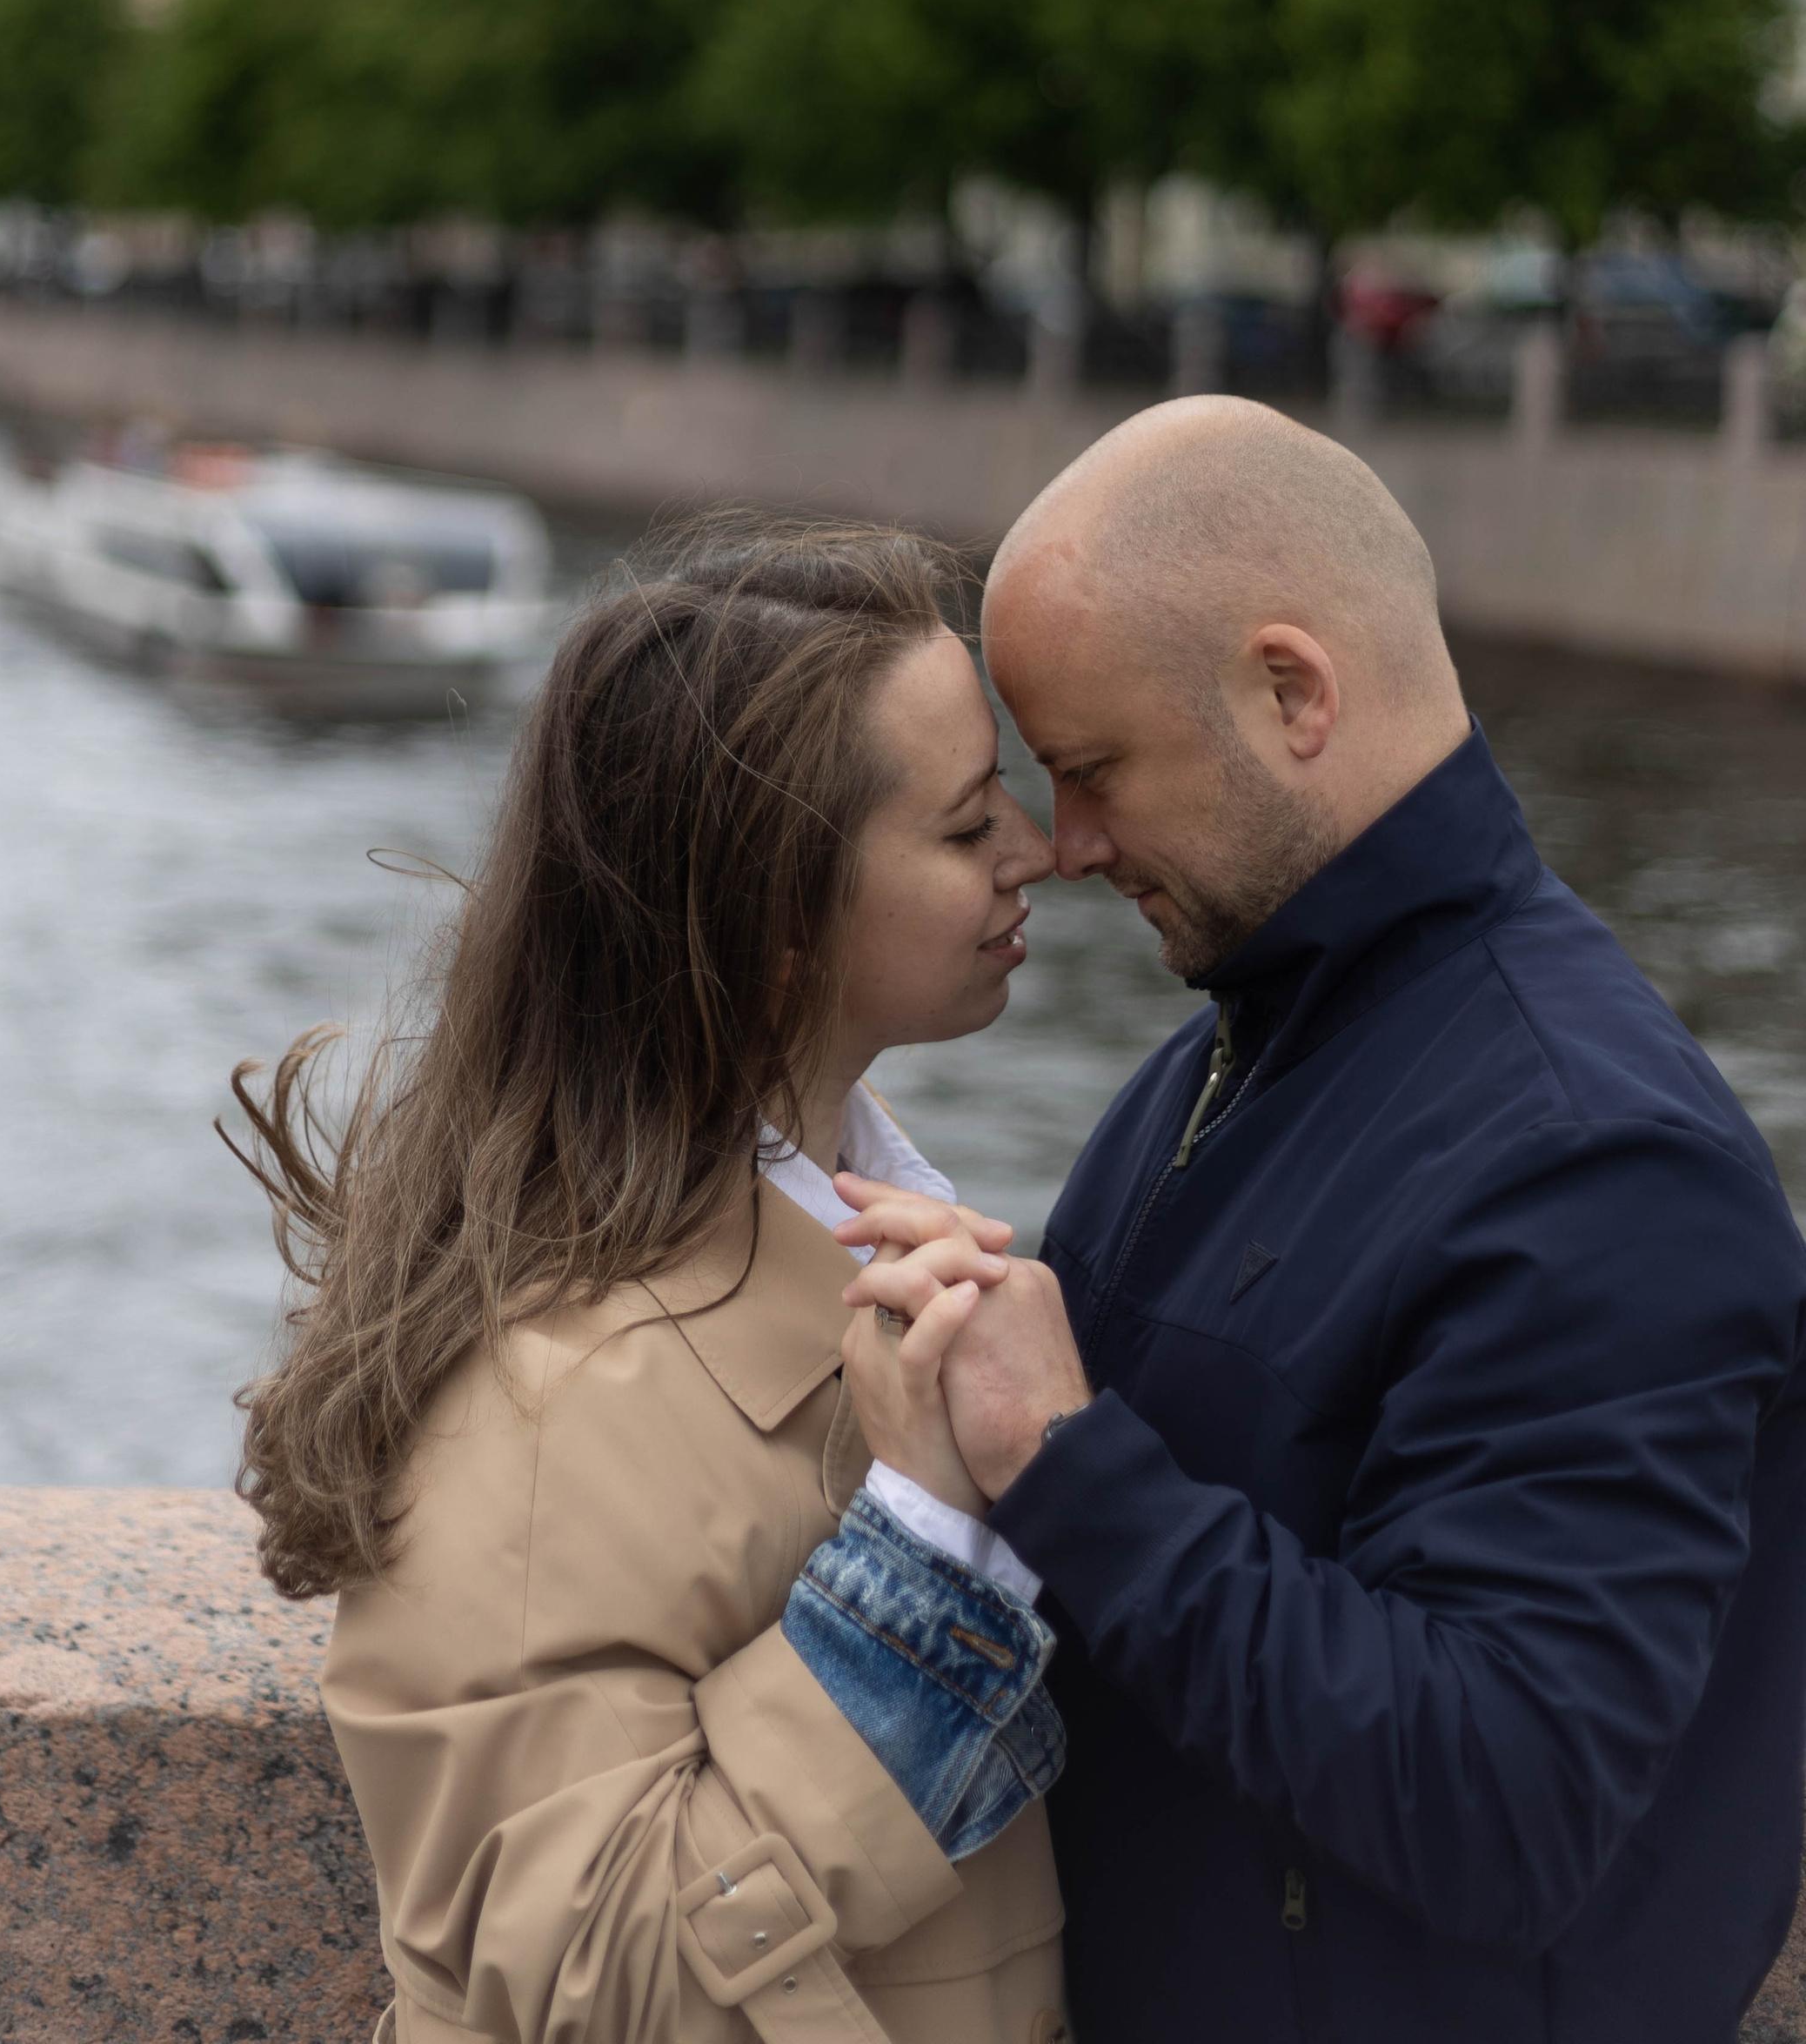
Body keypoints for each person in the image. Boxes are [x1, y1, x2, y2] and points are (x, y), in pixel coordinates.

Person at [834, 396, 1806, 2044]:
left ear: (1291, 691)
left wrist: (1072, 1460)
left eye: (1090, 770)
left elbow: (1513, 1804)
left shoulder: (1598, 1159)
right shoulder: (1245, 1040)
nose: (1065, 849)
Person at [226, 523, 1074, 2042]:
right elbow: (598, 1983)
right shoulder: (557, 1395)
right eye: (966, 826)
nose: (1039, 848)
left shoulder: (863, 1242)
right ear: (774, 930)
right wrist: (925, 1553)